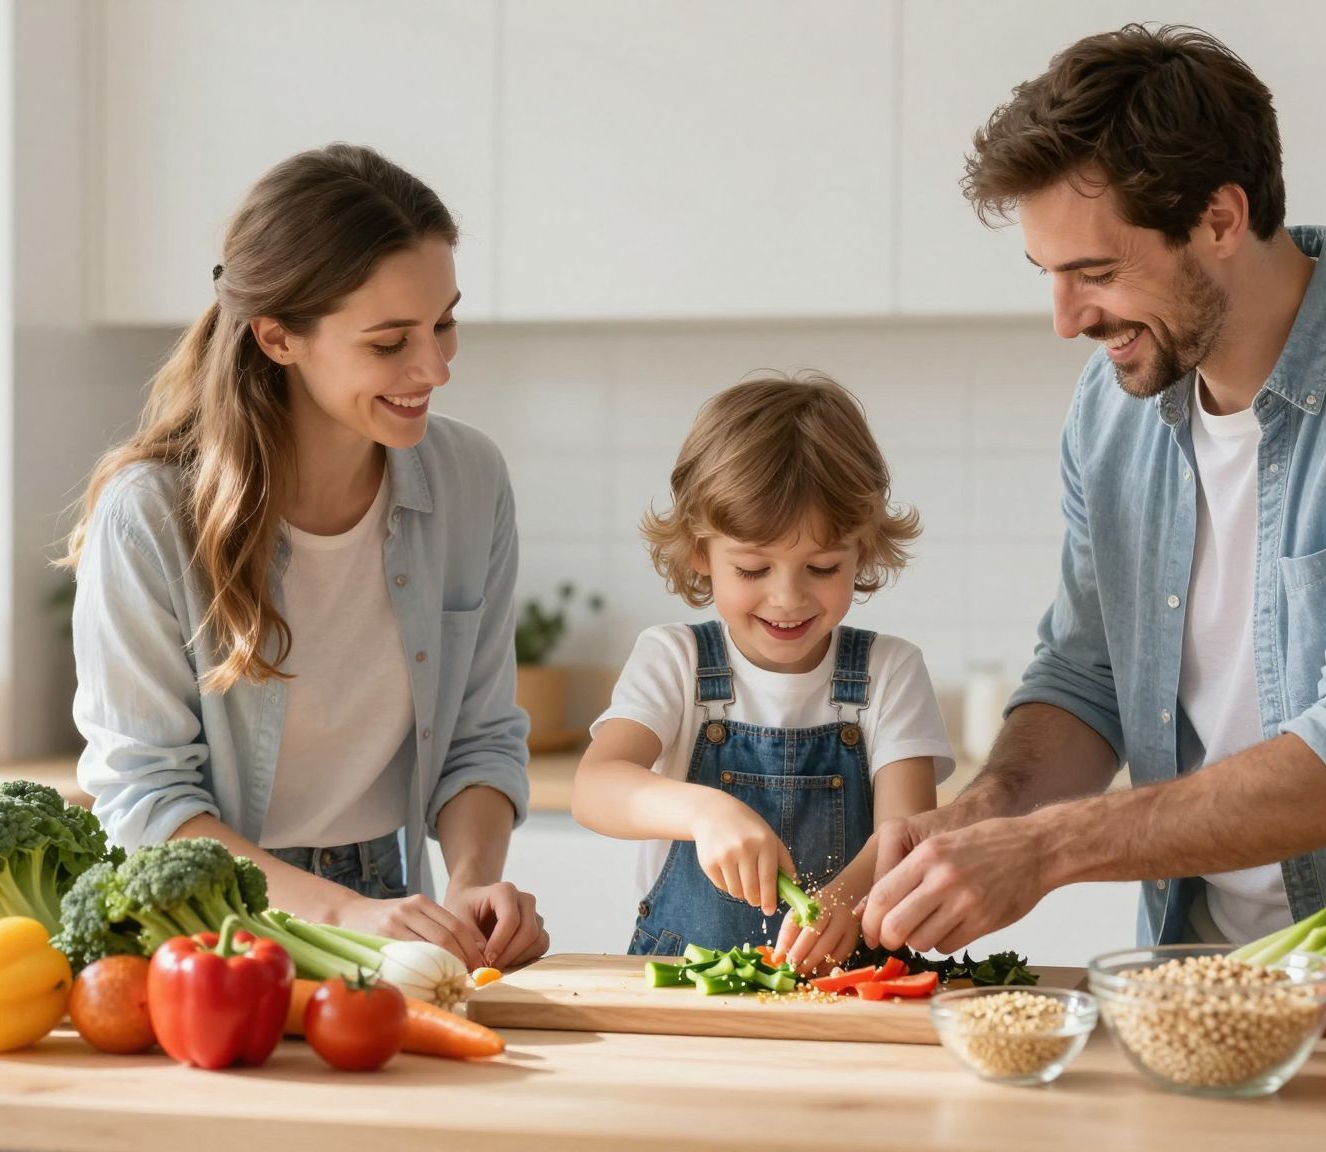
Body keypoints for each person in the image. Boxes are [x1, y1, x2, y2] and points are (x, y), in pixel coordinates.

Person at [861, 25, 1326, 954]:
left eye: (1096, 273)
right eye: (1050, 276)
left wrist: (1047, 848)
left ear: (1221, 220)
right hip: (1200, 982)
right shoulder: (1113, 407)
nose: (1066, 320)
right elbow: (1086, 678)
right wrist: (983, 814)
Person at [66, 144, 547, 970]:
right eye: (390, 342)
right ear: (278, 337)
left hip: (389, 891)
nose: (434, 368)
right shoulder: (149, 515)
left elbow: (479, 735)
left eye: (444, 324)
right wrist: (346, 914)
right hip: (205, 924)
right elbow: (144, 799)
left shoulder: (469, 480)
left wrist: (470, 884)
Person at [573, 374, 952, 973]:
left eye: (822, 568)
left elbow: (904, 837)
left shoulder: (889, 671)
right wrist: (705, 812)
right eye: (753, 569)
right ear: (700, 552)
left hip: (851, 982)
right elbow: (594, 787)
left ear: (862, 551)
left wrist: (847, 902)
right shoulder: (675, 659)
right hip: (688, 984)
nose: (788, 598)